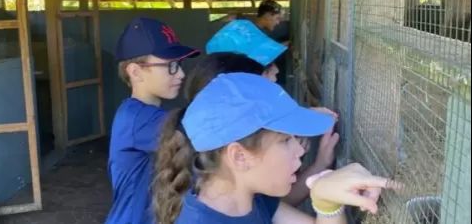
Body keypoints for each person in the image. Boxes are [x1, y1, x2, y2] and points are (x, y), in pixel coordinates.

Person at [154, 73, 398, 224]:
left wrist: (326, 201)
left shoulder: (249, 201)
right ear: (239, 156)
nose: (300, 150)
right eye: (284, 141)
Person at [183, 53, 339, 206]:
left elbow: (275, 208)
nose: (276, 71)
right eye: (285, 140)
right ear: (239, 156)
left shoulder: (243, 198)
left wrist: (320, 167)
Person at [106, 17, 199, 224]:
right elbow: (197, 130)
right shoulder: (135, 117)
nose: (181, 73)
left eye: (180, 64)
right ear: (136, 72)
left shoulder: (144, 114)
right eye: (171, 66)